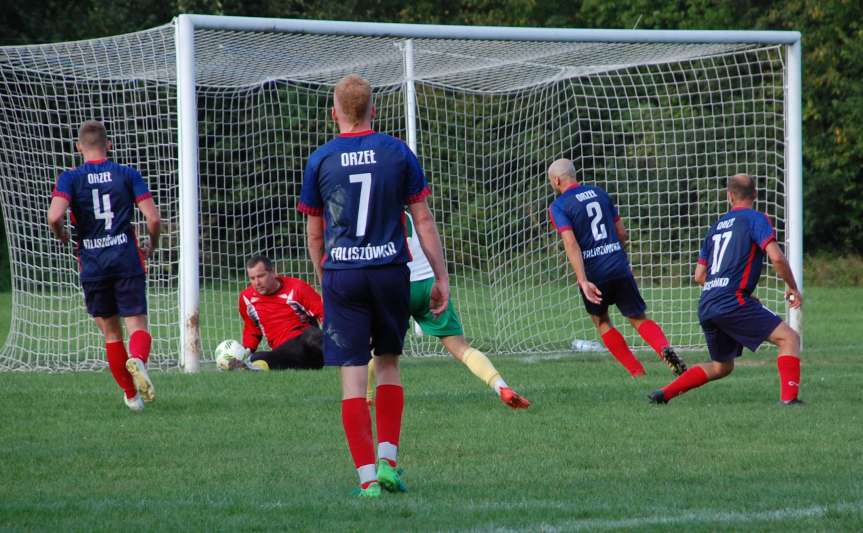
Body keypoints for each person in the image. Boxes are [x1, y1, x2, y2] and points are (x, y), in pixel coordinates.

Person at [298, 74, 449, 497]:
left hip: (343, 273)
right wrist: (440, 275)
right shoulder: (397, 152)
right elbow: (422, 220)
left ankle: (367, 481)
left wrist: (323, 276)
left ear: (335, 113)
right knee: (387, 364)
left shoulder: (321, 159)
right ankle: (389, 461)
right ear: (373, 111)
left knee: (351, 377)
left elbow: (314, 233)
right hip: (389, 271)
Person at [649, 174, 803, 405]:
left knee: (722, 366)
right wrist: (792, 287)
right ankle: (790, 401)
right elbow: (777, 258)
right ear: (756, 195)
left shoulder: (717, 226)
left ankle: (664, 393)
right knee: (789, 338)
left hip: (708, 303)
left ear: (729, 196)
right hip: (732, 301)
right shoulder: (756, 218)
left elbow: (699, 276)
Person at [47, 120, 161, 411]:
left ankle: (131, 397)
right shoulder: (127, 173)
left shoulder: (69, 178)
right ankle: (138, 360)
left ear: (78, 147)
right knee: (137, 324)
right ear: (108, 145)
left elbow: (53, 217)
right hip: (126, 258)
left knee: (111, 333)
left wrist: (64, 238)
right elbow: (153, 219)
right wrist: (151, 245)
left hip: (93, 263)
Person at [367, 211, 530, 409]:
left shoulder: (382, 217)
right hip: (428, 286)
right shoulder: (411, 216)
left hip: (398, 288)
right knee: (462, 349)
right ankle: (501, 387)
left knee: (377, 349)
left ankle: (366, 397)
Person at [547, 158, 686, 377]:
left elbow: (570, 243)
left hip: (594, 273)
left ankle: (637, 372)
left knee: (601, 321)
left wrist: (582, 280)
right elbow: (622, 233)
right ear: (575, 175)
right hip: (618, 265)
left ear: (556, 180)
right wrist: (619, 258)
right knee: (638, 318)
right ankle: (663, 348)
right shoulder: (600, 194)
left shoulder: (558, 206)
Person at [229, 255, 324, 371]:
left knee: (312, 334)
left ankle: (344, 358)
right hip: (282, 353)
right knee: (257, 357)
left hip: (307, 347)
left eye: (261, 276)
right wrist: (245, 352)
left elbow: (323, 313)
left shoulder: (297, 287)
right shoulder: (246, 298)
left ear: (273, 273)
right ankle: (251, 367)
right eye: (252, 278)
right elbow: (252, 329)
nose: (257, 282)